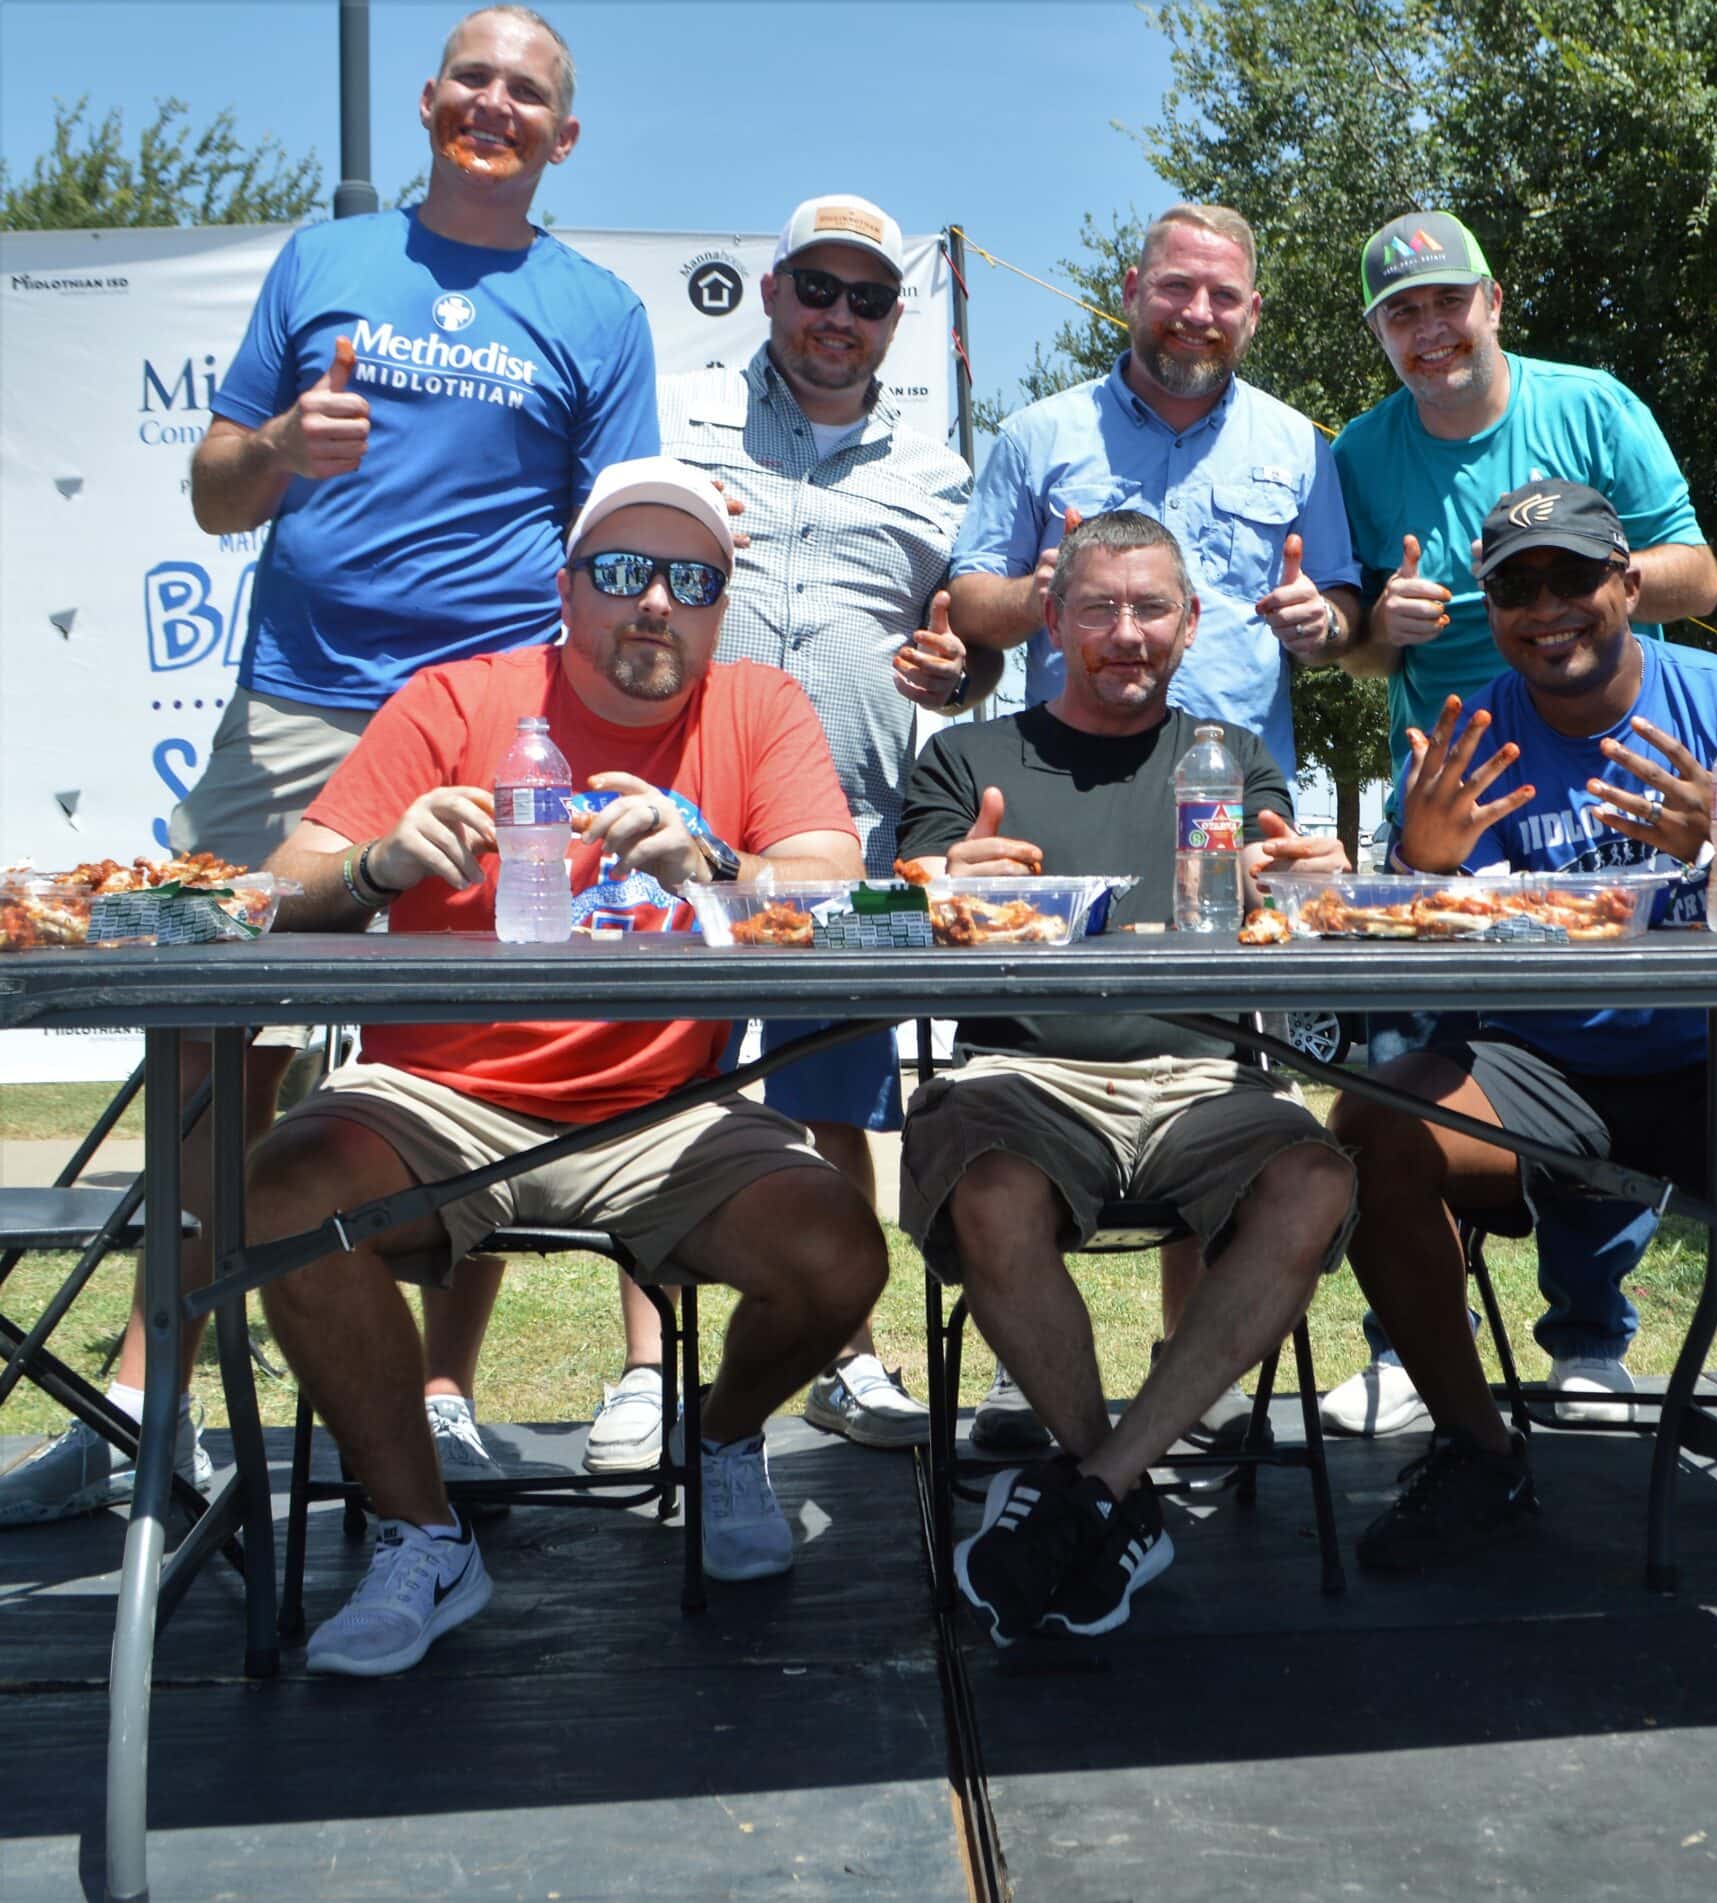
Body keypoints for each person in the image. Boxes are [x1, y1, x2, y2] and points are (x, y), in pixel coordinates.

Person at [0, 5, 657, 1529]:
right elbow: (218, 489)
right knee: (198, 1027)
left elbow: (613, 532)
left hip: (488, 721)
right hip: (291, 707)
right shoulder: (321, 261)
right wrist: (284, 445)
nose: (496, 104)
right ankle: (163, 1401)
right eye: (475, 79)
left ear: (564, 139)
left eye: (531, 92)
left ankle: (443, 1397)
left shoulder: (597, 310)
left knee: (473, 1039)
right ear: (431, 104)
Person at [242, 456, 887, 1676]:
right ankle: (422, 1531)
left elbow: (834, 885)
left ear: (719, 603)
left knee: (841, 1247)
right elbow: (276, 886)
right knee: (280, 1192)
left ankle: (725, 1437)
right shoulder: (458, 698)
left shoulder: (758, 706)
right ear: (567, 587)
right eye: (623, 571)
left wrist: (712, 862)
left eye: (690, 579)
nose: (655, 601)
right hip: (436, 1097)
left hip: (664, 1111)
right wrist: (378, 863)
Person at [1328, 484, 1717, 1572]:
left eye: (1572, 577)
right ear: (1491, 608)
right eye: (1516, 585)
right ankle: (1475, 1452)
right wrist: (1418, 869)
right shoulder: (1466, 737)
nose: (1545, 606)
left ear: (1629, 585)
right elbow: (1406, 940)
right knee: (1372, 1132)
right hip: (1539, 1066)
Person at [941, 203, 1361, 1450]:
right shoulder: (1040, 432)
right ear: (1131, 288)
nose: (1198, 314)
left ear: (1254, 312)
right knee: (1033, 1071)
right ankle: (1033, 1377)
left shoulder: (1298, 443)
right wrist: (1061, 593)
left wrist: (1320, 622)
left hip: (1233, 803)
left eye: (1225, 297)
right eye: (1177, 289)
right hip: (1054, 801)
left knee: (1221, 1077)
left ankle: (1197, 1374)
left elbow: (1336, 610)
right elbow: (968, 595)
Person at [897, 510, 1358, 1644]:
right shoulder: (965, 757)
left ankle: (1091, 1491)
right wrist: (944, 881)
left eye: (1152, 607)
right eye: (1097, 607)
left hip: (1205, 1082)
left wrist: (1303, 877)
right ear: (1052, 618)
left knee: (1317, 1175)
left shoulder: (1231, 757)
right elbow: (896, 913)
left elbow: (1282, 885)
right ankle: (1125, 1490)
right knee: (989, 1185)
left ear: (1192, 623)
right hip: (1022, 1074)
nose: (1125, 632)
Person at [1320, 211, 1717, 1436]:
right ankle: (1407, 1340)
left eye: (1446, 301)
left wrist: (1569, 594)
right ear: (1379, 334)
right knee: (1421, 1059)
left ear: (1491, 301)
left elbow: (1699, 573)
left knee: (1623, 1013)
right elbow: (1344, 653)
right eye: (1400, 313)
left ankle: (1591, 1337)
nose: (1427, 329)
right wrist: (1372, 631)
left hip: (1617, 757)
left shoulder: (1591, 406)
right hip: (1454, 786)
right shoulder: (1356, 450)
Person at [608, 191, 983, 1465]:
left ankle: (846, 1355)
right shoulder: (678, 413)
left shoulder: (940, 471)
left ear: (894, 319)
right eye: (816, 289)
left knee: (841, 1099)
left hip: (843, 829)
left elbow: (962, 655)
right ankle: (643, 1370)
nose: (838, 317)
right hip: (667, 806)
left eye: (867, 299)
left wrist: (962, 678)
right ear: (768, 294)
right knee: (659, 1084)